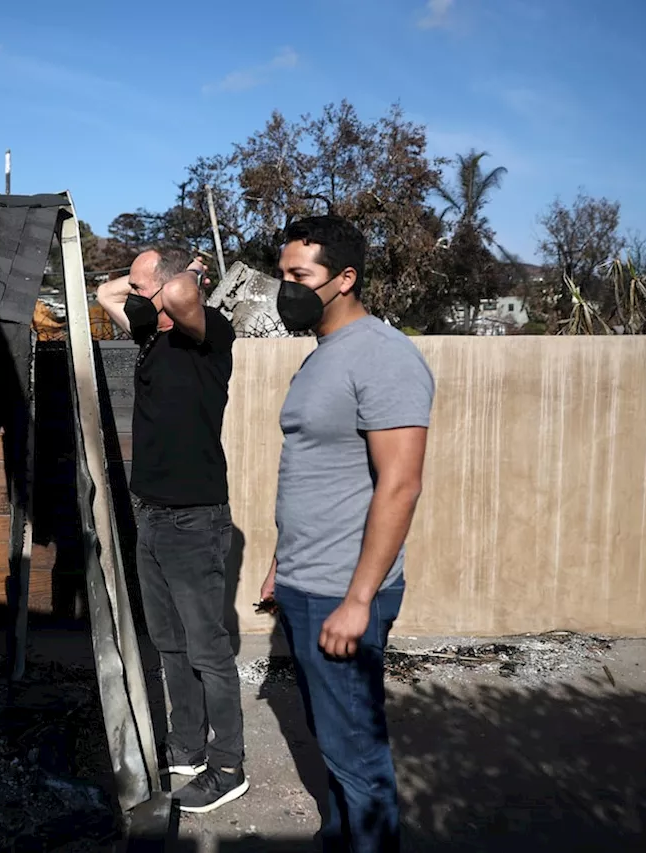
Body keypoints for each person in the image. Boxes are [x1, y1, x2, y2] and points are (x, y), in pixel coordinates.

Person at [259, 215, 434, 852]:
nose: (287, 289)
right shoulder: (323, 356)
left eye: (300, 276)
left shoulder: (384, 356)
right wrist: (283, 559)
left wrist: (358, 600)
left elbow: (400, 485)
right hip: (307, 582)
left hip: (343, 592)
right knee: (332, 745)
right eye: (283, 275)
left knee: (357, 756)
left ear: (345, 279)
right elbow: (316, 471)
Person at [96, 245, 248, 814]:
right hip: (151, 514)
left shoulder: (209, 337)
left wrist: (181, 277)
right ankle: (186, 747)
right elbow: (106, 294)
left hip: (194, 517)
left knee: (208, 649)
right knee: (170, 643)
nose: (131, 296)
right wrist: (141, 285)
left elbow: (183, 294)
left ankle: (228, 766)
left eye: (143, 288)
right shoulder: (151, 336)